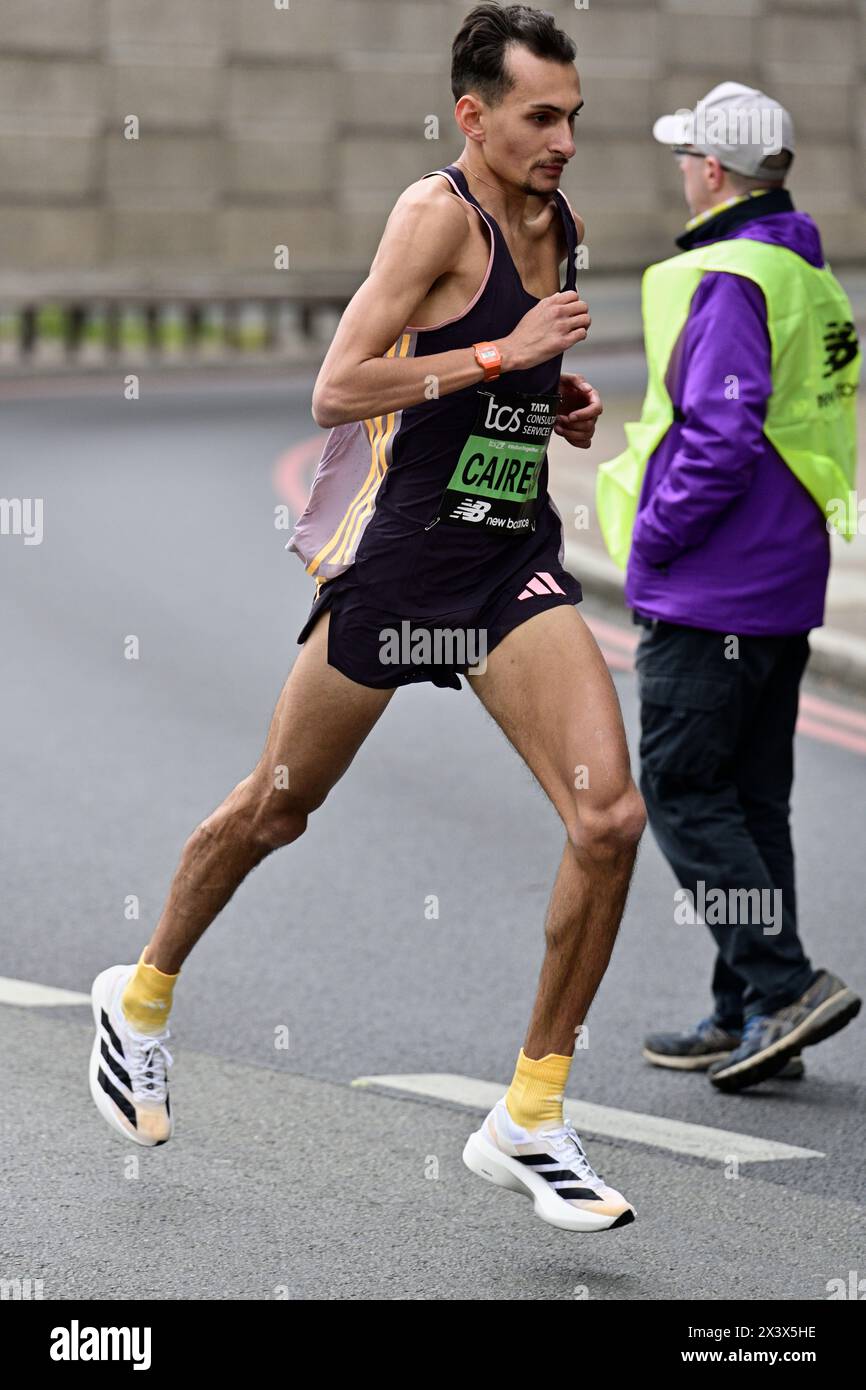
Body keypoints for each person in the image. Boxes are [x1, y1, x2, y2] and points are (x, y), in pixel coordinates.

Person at [89, 3, 645, 1231]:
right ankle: (137, 1000)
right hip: (405, 572)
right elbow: (339, 385)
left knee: (607, 817)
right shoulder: (431, 212)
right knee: (278, 807)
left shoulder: (561, 223)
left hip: (509, 565)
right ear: (473, 116)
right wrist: (504, 359)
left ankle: (531, 1114)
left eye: (572, 116)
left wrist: (550, 400)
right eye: (538, 116)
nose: (561, 138)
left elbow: (498, 370)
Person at [596, 82, 861, 1093]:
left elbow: (716, 435)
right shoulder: (804, 268)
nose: (678, 170)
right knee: (751, 804)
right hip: (784, 577)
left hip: (709, 588)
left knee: (679, 788)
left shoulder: (724, 274)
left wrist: (653, 538)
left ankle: (782, 985)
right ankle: (747, 1007)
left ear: (711, 168)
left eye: (683, 156)